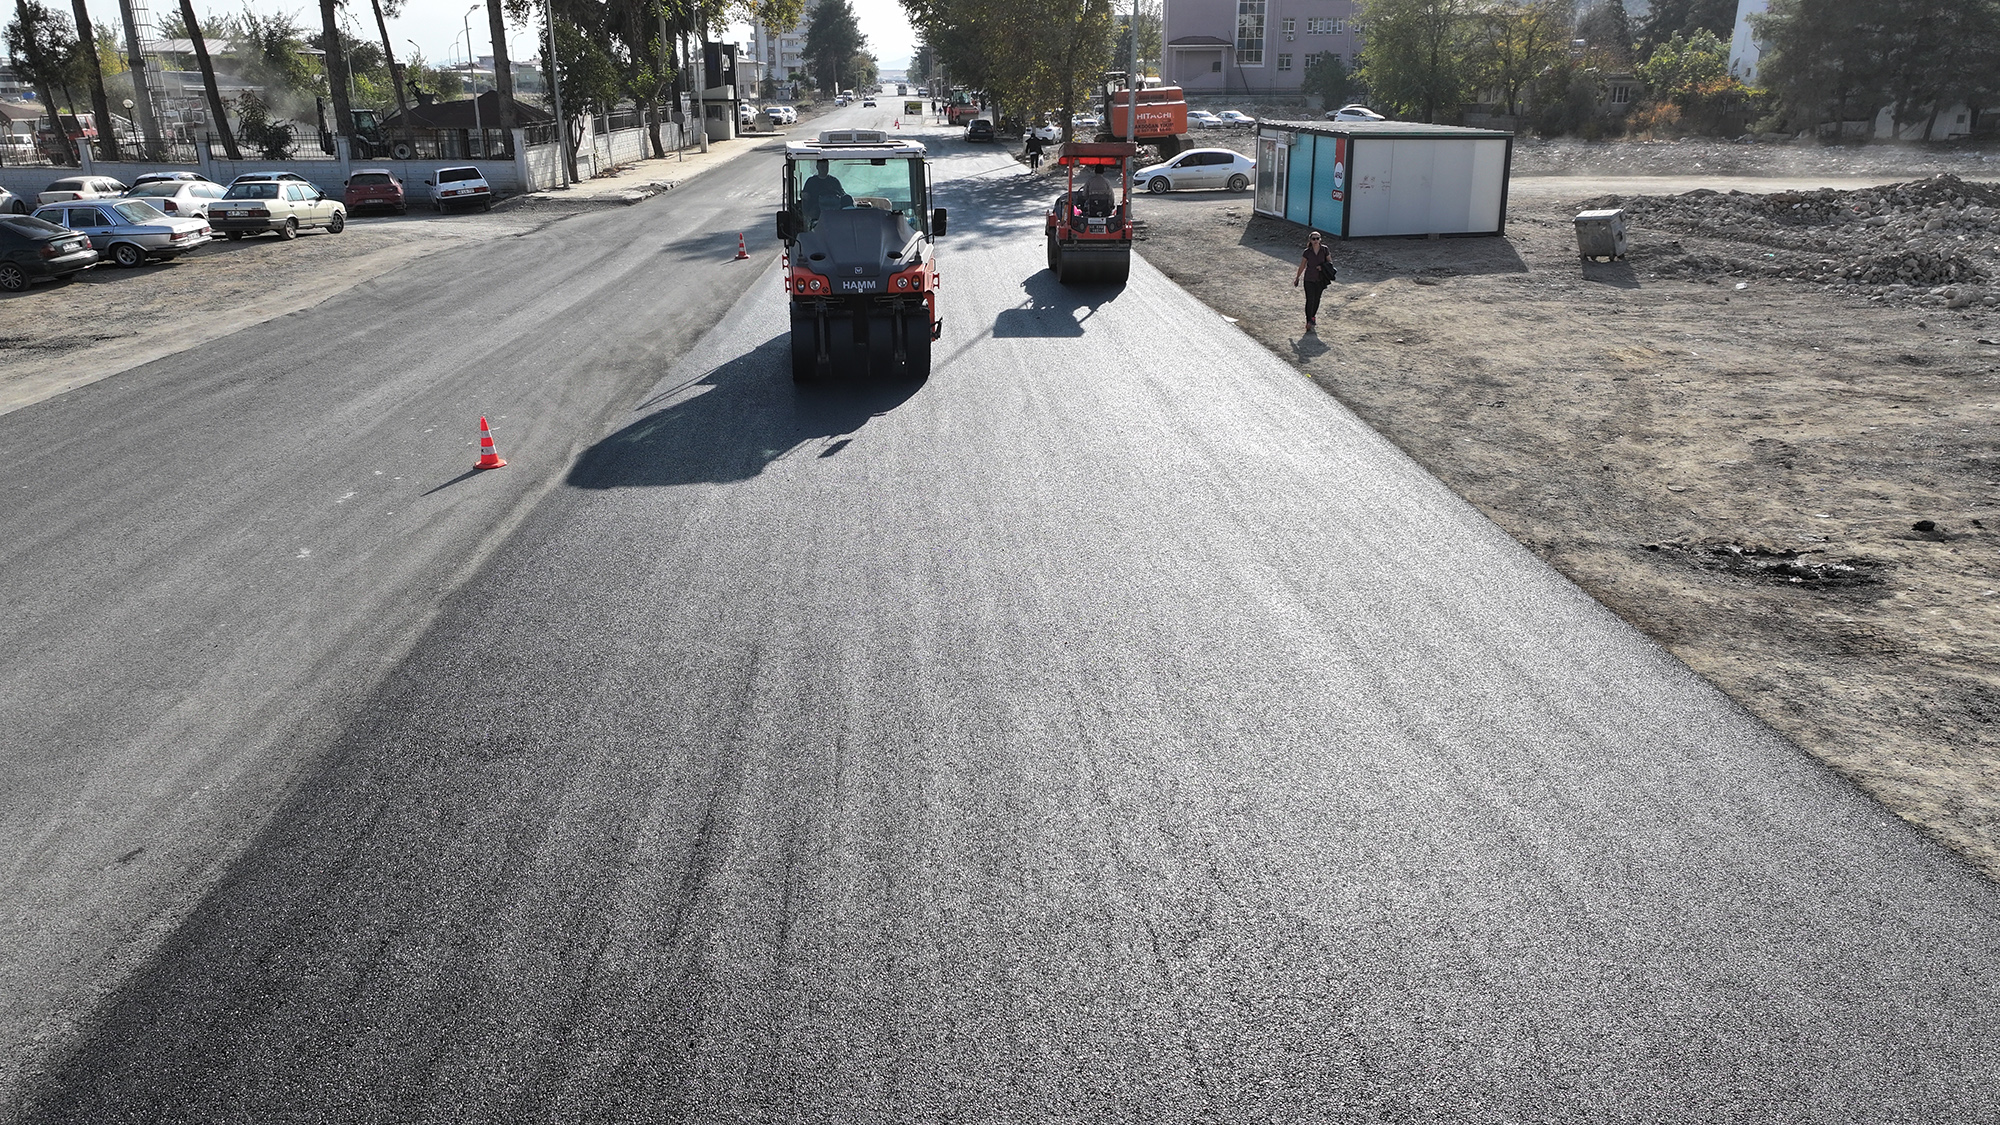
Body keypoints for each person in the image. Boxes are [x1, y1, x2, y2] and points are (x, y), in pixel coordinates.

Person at [1292, 230, 1336, 331]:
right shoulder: (1307, 252)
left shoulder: (1325, 249)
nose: (1316, 240)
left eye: (1318, 238)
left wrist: (1322, 267)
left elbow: (1330, 263)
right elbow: (1302, 265)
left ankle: (1313, 316)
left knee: (1317, 299)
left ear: (1320, 239)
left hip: (1320, 279)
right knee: (1309, 299)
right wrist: (1297, 277)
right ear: (1310, 240)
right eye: (1314, 239)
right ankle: (1308, 320)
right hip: (1309, 279)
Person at [801, 160, 850, 225]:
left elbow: (842, 194)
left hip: (834, 211)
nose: (824, 169)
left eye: (826, 167)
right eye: (822, 167)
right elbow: (805, 196)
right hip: (817, 213)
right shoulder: (811, 182)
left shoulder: (834, 181)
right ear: (817, 167)